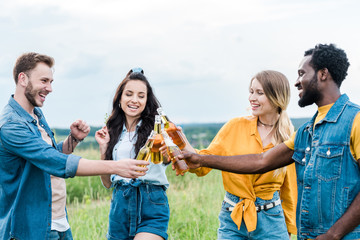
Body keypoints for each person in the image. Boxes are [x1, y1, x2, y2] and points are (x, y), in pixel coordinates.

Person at [180, 44, 360, 240]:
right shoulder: (307, 131)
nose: (297, 82)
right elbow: (261, 162)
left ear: (323, 74)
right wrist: (201, 159)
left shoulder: (355, 120)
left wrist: (333, 235)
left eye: (302, 74)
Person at [0, 52, 149, 240]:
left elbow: (47, 156)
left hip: (58, 220)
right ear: (23, 78)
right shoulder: (11, 125)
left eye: (51, 81)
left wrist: (73, 140)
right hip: (31, 228)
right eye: (44, 81)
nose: (50, 88)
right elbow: (55, 162)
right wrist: (117, 167)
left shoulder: (35, 114)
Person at [180, 70, 297, 239]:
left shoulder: (288, 136)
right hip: (232, 216)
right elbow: (204, 162)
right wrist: (182, 142)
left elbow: (289, 188)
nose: (252, 98)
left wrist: (288, 225)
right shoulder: (234, 127)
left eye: (259, 93)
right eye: (251, 92)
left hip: (271, 220)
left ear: (276, 97)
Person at [95, 68, 170, 240]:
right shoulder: (112, 131)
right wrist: (103, 149)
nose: (134, 100)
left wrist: (168, 151)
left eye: (141, 96)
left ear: (146, 100)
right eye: (129, 94)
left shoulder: (157, 128)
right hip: (120, 207)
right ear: (120, 98)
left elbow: (168, 158)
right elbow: (107, 183)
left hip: (151, 201)